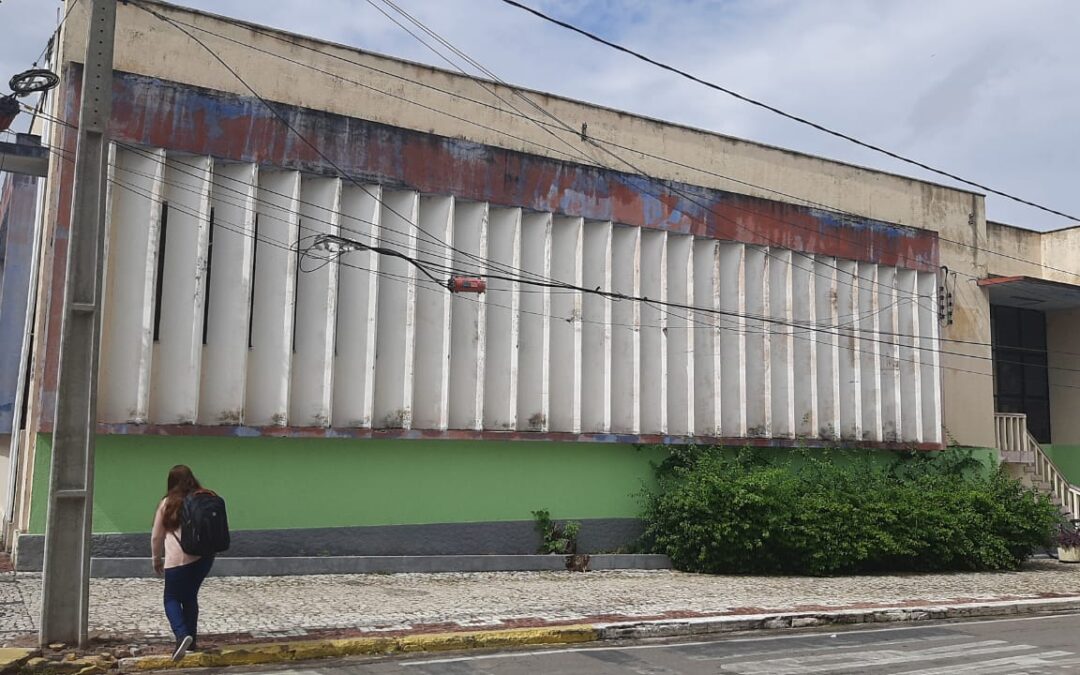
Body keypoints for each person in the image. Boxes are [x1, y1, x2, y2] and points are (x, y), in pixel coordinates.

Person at [150, 465, 215, 661]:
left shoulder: (167, 503)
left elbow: (156, 536)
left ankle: (181, 635)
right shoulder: (203, 498)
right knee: (189, 597)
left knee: (170, 598)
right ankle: (192, 641)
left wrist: (156, 559)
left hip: (178, 560)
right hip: (204, 558)